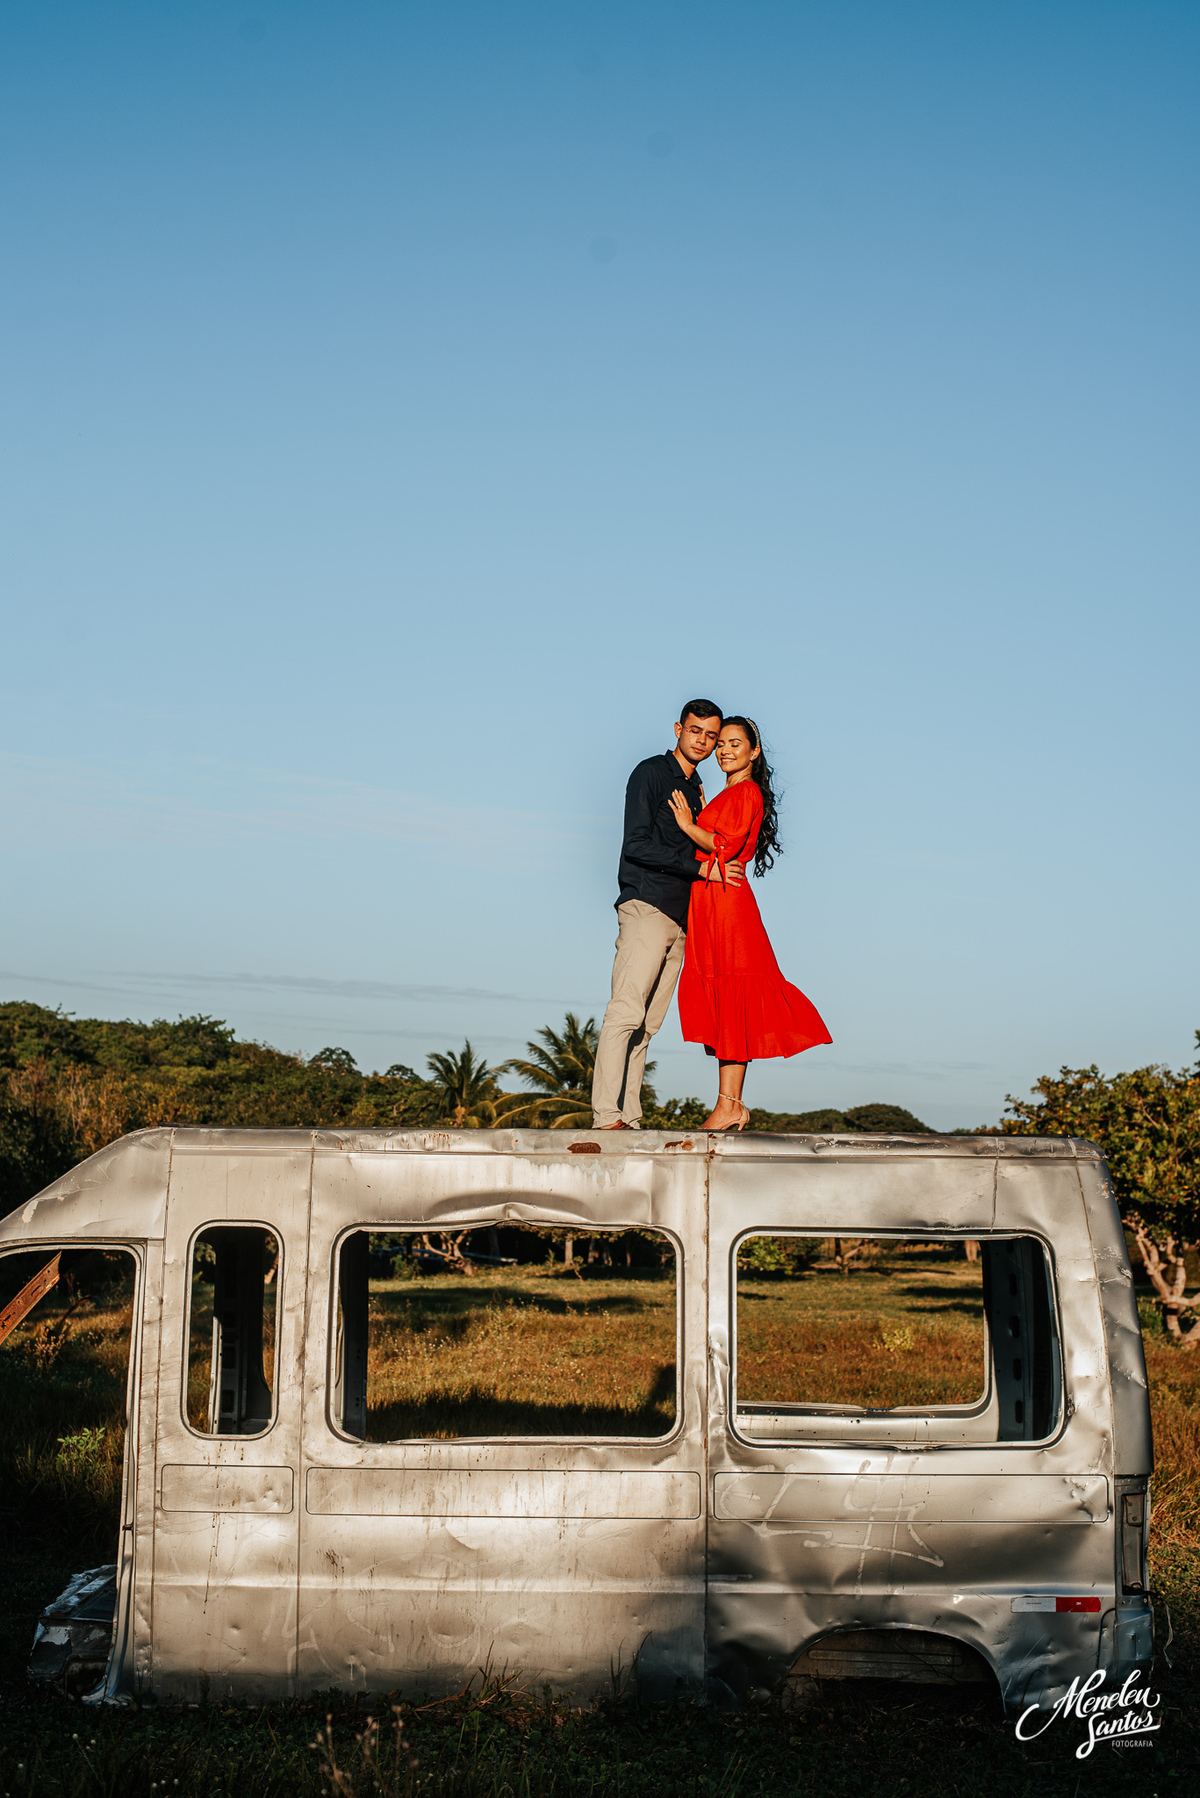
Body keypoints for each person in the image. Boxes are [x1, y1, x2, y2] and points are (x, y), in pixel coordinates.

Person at [668, 716, 831, 1131]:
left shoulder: (746, 791)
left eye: (734, 743)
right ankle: (730, 1104)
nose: (723, 749)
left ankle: (729, 1105)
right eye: (720, 743)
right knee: (724, 999)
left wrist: (689, 824)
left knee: (735, 995)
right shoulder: (728, 793)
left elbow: (725, 846)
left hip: (727, 904)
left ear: (754, 752)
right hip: (709, 900)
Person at [591, 700, 746, 1129]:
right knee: (625, 1013)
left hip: (681, 919)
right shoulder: (651, 773)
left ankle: (630, 1118)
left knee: (648, 1026)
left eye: (711, 736)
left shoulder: (697, 791)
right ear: (678, 728)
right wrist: (702, 869)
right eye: (695, 730)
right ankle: (606, 1117)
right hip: (646, 905)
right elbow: (635, 844)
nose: (703, 740)